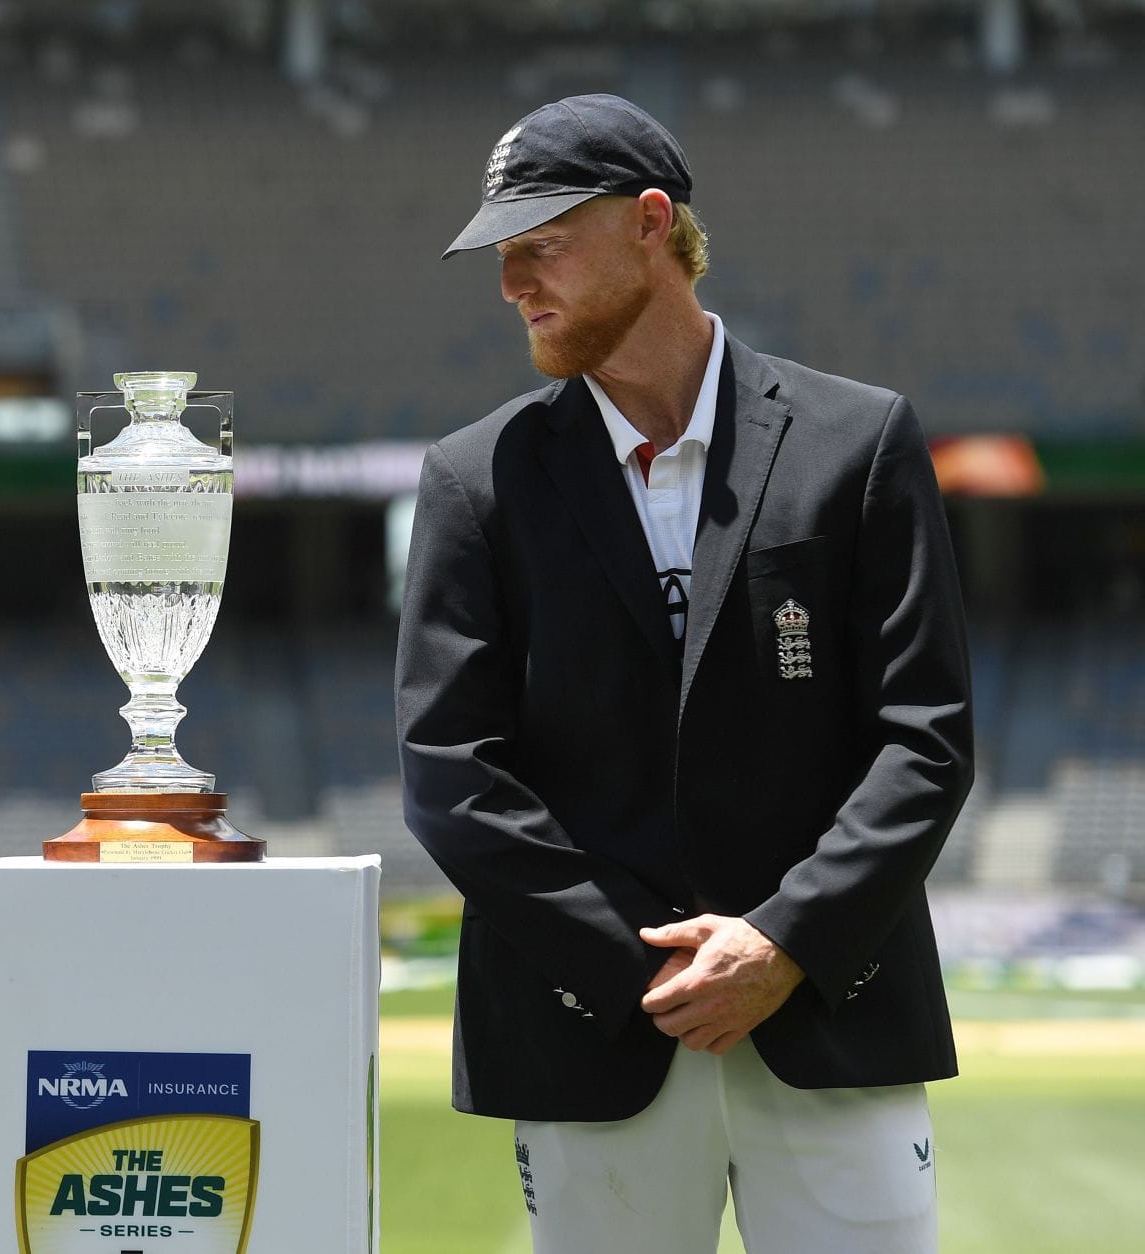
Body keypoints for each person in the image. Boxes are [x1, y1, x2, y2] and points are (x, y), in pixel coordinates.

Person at [395, 95, 973, 1253]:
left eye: (541, 244)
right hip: (590, 1032)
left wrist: (782, 945)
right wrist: (646, 970)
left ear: (652, 224)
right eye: (502, 257)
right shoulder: (474, 481)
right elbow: (450, 774)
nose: (513, 283)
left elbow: (927, 739)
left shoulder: (858, 442)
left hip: (831, 1019)